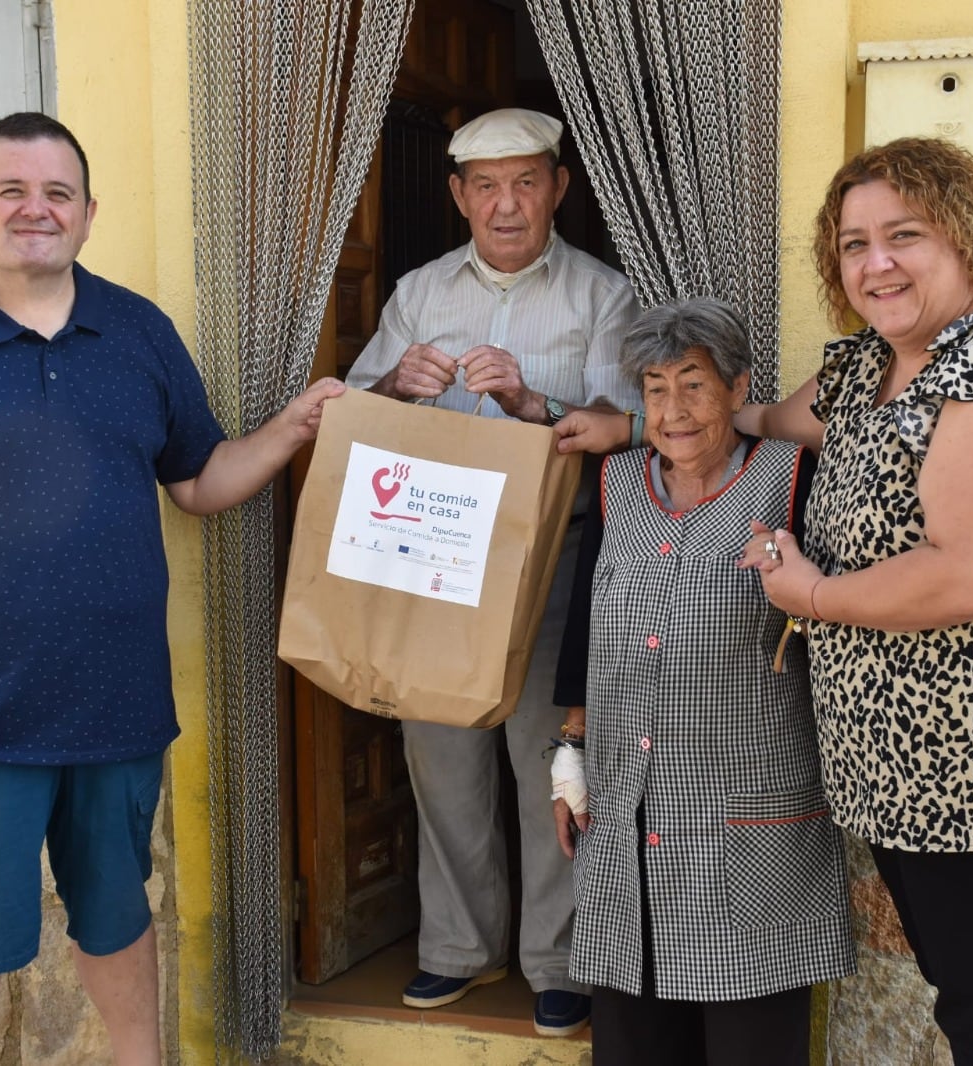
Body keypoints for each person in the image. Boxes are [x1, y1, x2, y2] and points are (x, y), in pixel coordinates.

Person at [0, 112, 343, 1066]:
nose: (36, 209)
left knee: (117, 920)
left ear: (89, 214)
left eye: (57, 193)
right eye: (12, 191)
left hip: (119, 708)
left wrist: (295, 427)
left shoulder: (136, 330)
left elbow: (198, 481)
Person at [729, 138, 973, 1064]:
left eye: (903, 235)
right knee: (970, 1000)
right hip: (907, 766)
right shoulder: (874, 367)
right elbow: (774, 420)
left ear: (968, 237)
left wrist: (812, 593)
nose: (876, 264)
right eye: (852, 243)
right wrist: (660, 422)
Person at [343, 106, 639, 1036]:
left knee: (546, 753)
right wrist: (396, 386)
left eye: (525, 182)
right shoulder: (419, 293)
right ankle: (457, 951)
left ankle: (559, 959)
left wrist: (528, 399)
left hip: (553, 552)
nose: (506, 204)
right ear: (459, 197)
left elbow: (631, 428)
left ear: (558, 188)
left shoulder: (602, 295)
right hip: (433, 557)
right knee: (441, 751)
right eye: (486, 186)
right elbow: (355, 408)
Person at [547, 299, 853, 1065]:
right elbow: (587, 625)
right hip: (627, 828)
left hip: (750, 832)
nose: (673, 410)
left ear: (738, 389)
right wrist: (568, 754)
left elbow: (843, 622)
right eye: (654, 389)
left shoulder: (792, 479)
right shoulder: (619, 484)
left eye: (694, 385)